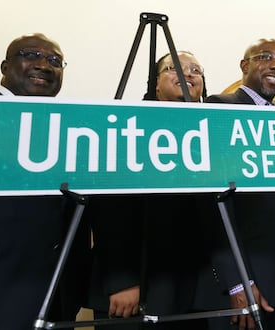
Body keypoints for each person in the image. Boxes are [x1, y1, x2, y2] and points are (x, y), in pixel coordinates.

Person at [86, 51, 210, 329]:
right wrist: (123, 281)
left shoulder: (208, 130)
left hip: (192, 292)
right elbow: (109, 207)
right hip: (134, 288)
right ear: (155, 83)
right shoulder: (129, 123)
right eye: (175, 68)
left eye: (195, 70)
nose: (187, 73)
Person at [0, 33, 90, 329]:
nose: (44, 66)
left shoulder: (73, 129)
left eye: (54, 61)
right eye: (31, 55)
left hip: (57, 296)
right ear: (4, 66)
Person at [204, 38, 275, 330]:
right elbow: (213, 204)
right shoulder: (220, 107)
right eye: (265, 57)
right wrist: (237, 282)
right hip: (245, 285)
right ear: (244, 65)